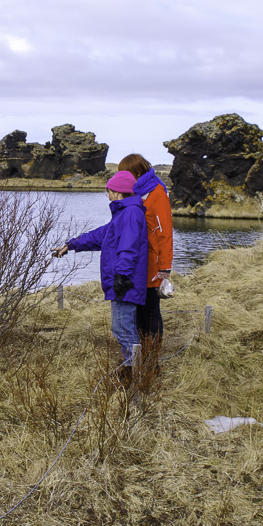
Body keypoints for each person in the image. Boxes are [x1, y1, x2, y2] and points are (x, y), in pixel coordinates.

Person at [53, 171, 149, 381]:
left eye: (109, 191)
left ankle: (134, 372)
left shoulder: (131, 213)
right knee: (121, 326)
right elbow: (100, 235)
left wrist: (122, 275)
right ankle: (131, 368)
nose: (108, 196)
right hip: (122, 281)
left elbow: (129, 247)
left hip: (126, 282)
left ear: (117, 192)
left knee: (123, 327)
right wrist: (71, 244)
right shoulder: (124, 214)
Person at [118, 153, 174, 349]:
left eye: (126, 174)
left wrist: (165, 266)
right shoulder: (136, 192)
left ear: (138, 172)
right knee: (138, 310)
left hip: (152, 263)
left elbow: (165, 231)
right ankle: (140, 353)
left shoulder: (157, 192)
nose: (123, 179)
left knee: (150, 309)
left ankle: (151, 358)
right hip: (138, 261)